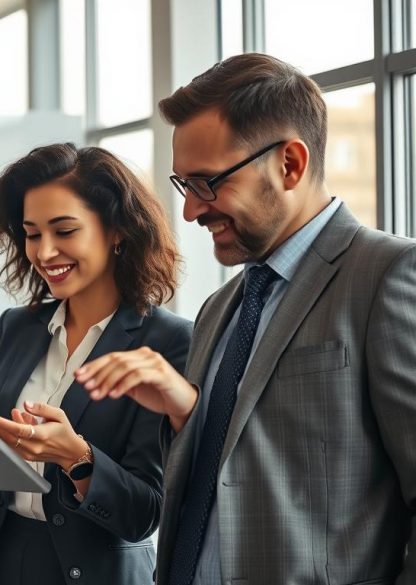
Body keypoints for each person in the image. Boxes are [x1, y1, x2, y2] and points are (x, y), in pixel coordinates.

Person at [76, 53, 416, 585]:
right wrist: (185, 418)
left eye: (208, 183)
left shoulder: (389, 276)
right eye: (184, 185)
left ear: (290, 165)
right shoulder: (220, 309)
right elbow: (234, 472)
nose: (190, 211)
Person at [0, 144, 193, 584]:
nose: (44, 253)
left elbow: (145, 514)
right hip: (4, 566)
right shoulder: (16, 329)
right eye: (31, 233)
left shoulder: (168, 342)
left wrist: (77, 458)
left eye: (64, 231)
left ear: (117, 230)